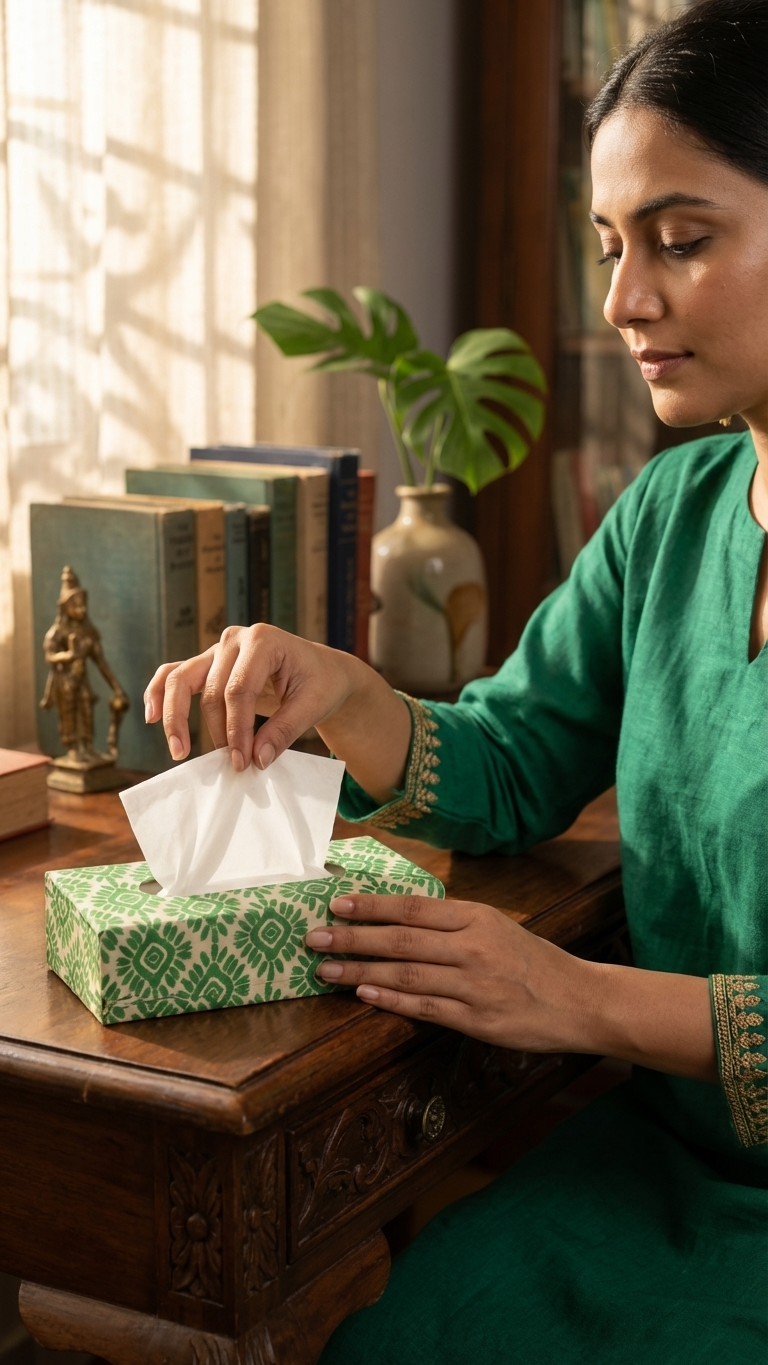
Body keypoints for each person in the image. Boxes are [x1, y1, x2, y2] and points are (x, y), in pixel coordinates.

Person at [145, 2, 767, 1357]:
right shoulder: (676, 513)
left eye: (682, 238)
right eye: (608, 247)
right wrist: (342, 690)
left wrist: (575, 996)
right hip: (656, 1171)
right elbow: (519, 755)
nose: (622, 300)